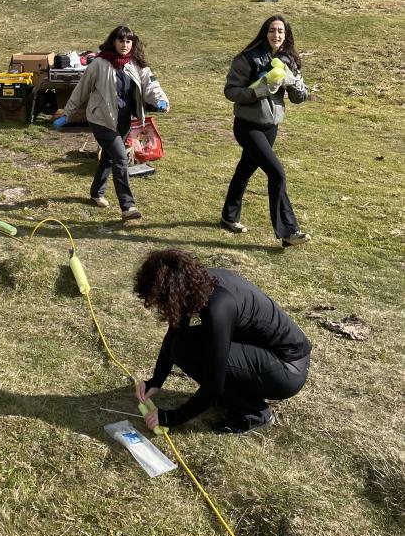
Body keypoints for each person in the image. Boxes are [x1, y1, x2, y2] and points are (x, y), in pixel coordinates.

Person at [134, 249, 311, 434]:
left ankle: (254, 412)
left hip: (287, 369)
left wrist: (171, 418)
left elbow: (214, 384)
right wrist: (156, 380)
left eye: (161, 301)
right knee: (181, 345)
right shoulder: (197, 283)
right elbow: (176, 331)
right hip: (268, 353)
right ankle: (235, 398)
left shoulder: (219, 308)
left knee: (187, 351)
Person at [55, 25, 168, 221]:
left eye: (128, 41)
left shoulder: (136, 64)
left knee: (108, 157)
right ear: (113, 41)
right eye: (121, 40)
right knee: (120, 159)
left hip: (123, 120)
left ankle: (96, 192)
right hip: (101, 120)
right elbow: (81, 89)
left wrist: (161, 100)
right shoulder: (99, 64)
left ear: (132, 43)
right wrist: (68, 113)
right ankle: (128, 207)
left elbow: (151, 84)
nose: (124, 45)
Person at [221, 15, 310, 246]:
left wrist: (293, 82)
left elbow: (300, 98)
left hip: (271, 127)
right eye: (272, 30)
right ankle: (288, 232)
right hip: (247, 126)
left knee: (245, 170)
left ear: (286, 35)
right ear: (265, 32)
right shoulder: (248, 58)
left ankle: (228, 216)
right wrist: (257, 91)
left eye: (281, 31)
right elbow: (231, 91)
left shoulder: (288, 60)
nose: (276, 35)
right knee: (277, 173)